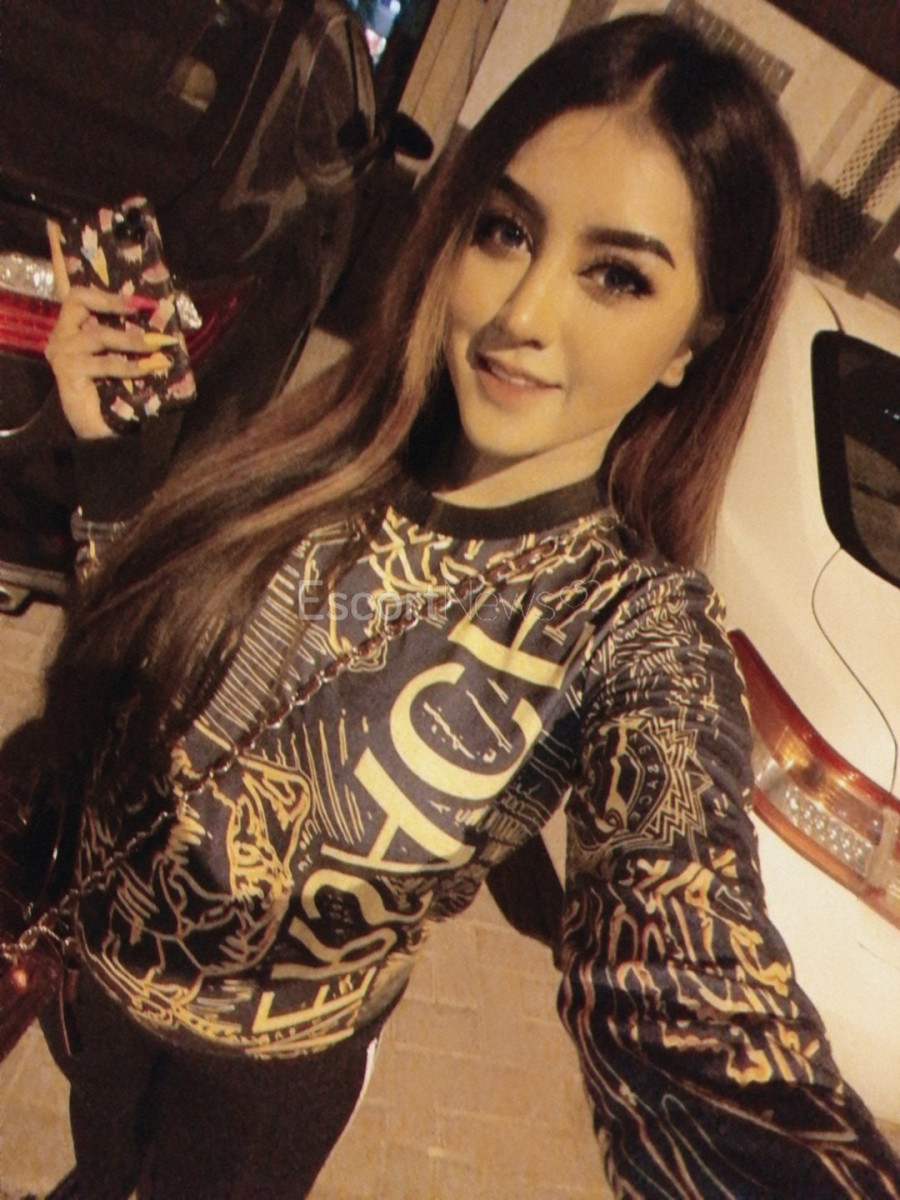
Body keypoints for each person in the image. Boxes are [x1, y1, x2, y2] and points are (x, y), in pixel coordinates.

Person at [19, 12, 900, 1199]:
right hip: (96, 1002)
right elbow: (127, 696)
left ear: (697, 337)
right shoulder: (319, 453)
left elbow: (698, 984)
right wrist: (117, 463)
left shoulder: (629, 634)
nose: (522, 313)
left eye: (617, 275)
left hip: (258, 1095)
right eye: (507, 230)